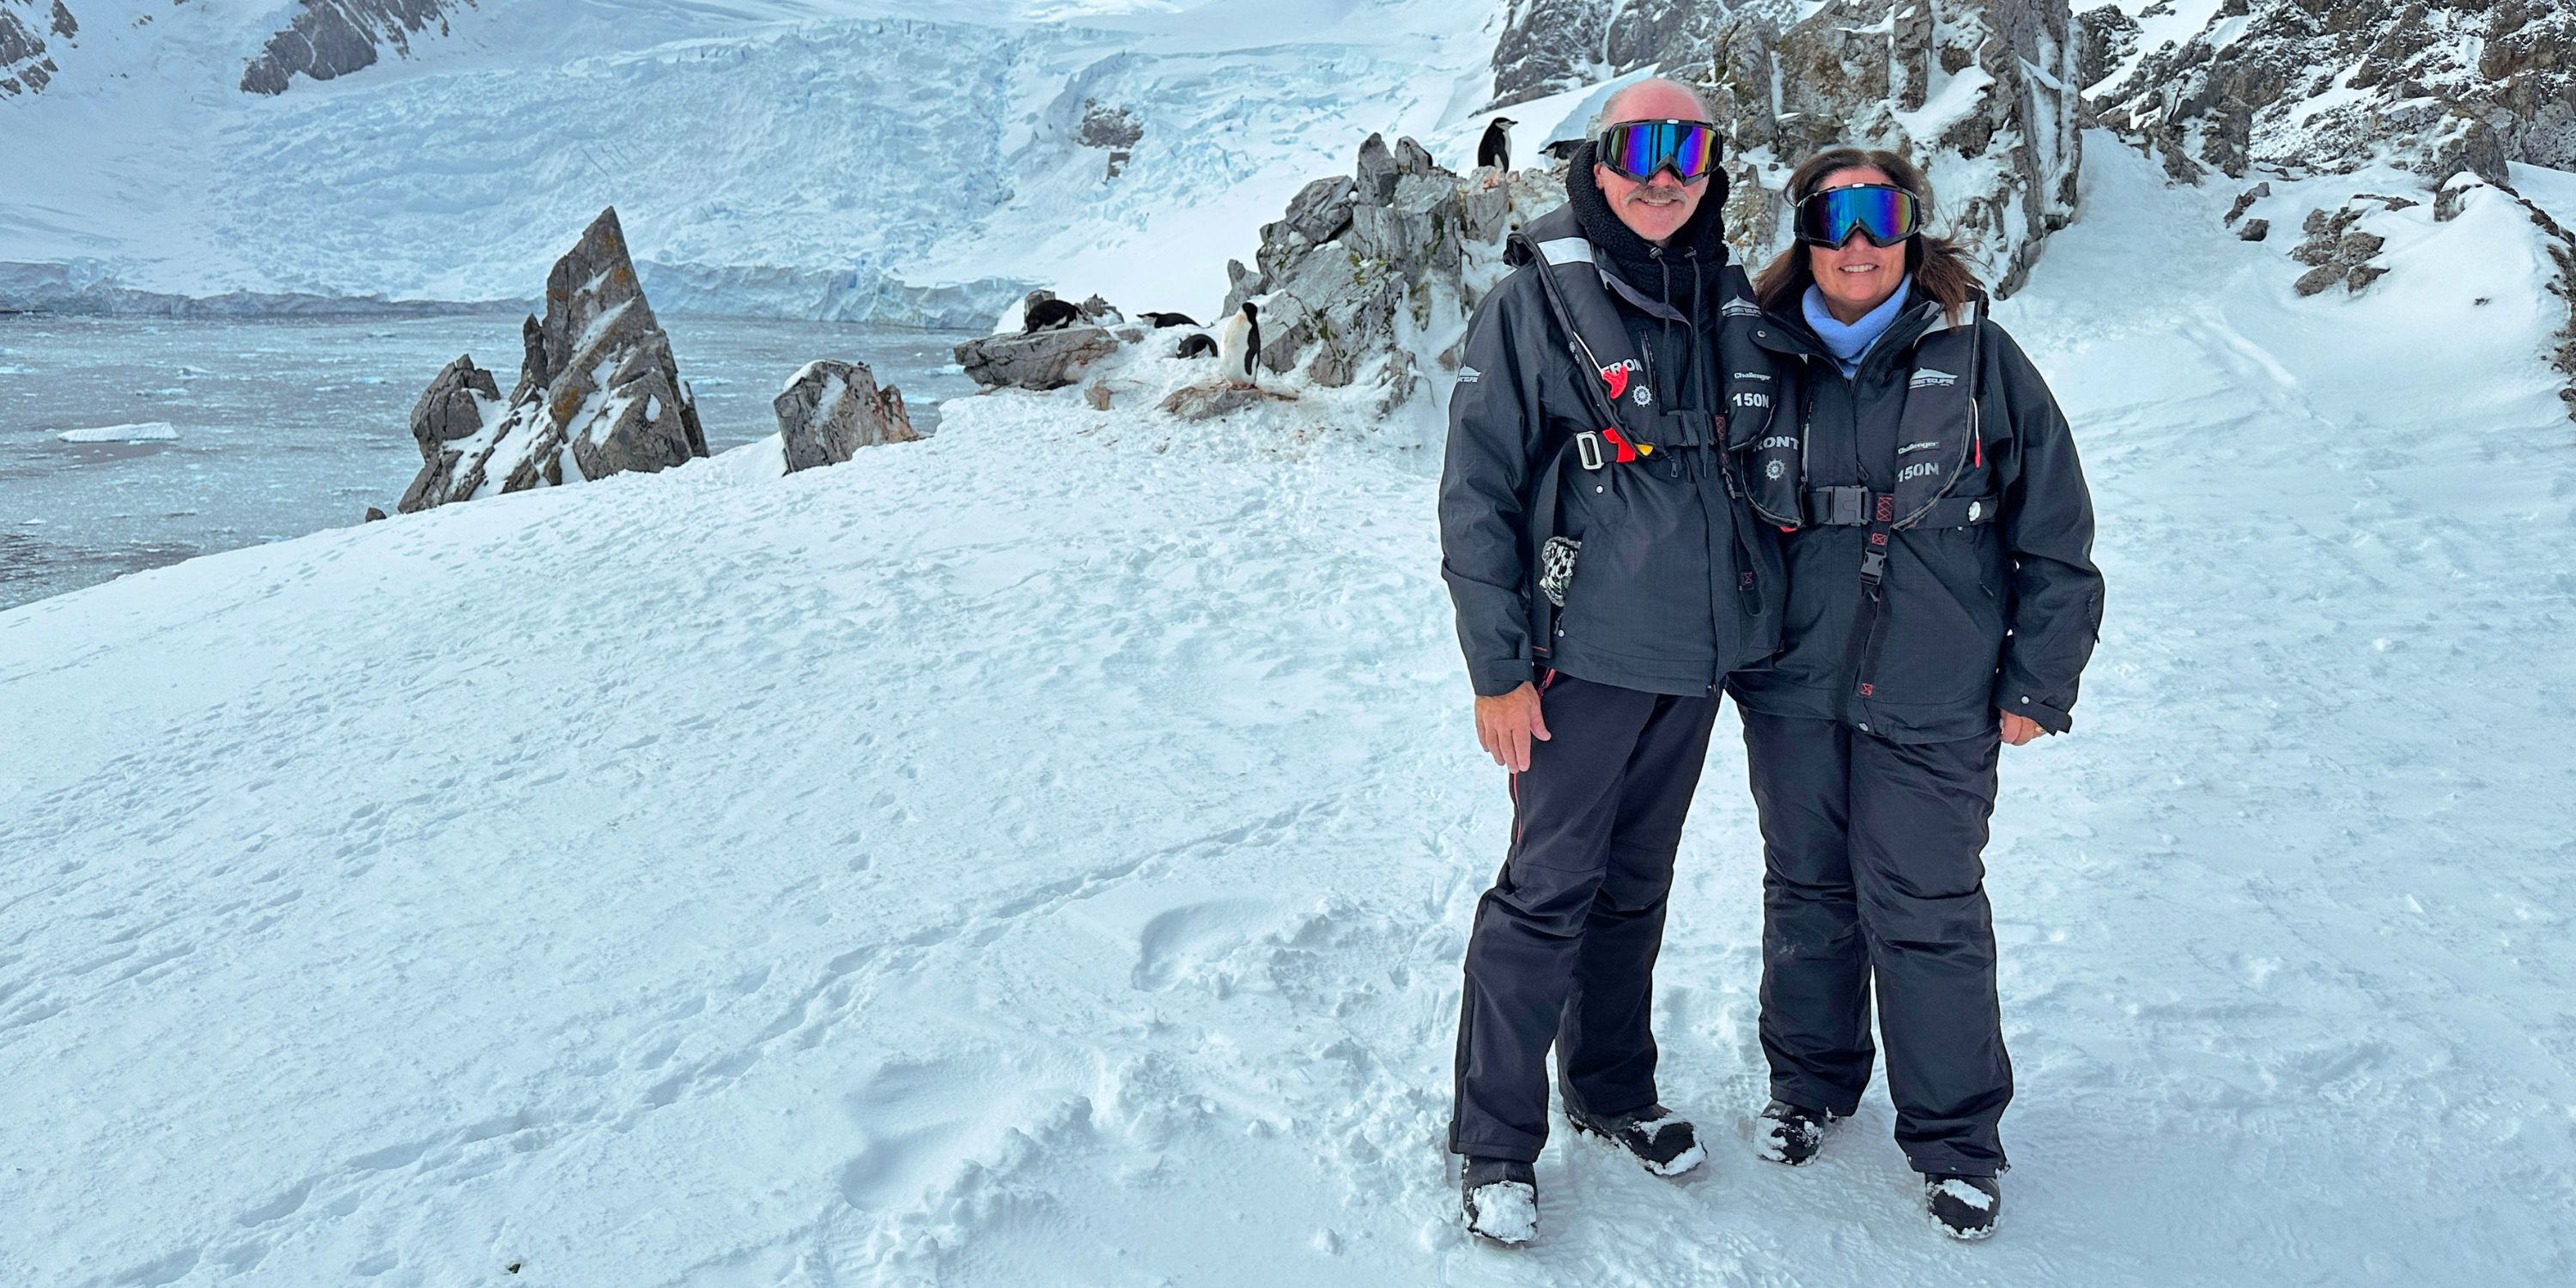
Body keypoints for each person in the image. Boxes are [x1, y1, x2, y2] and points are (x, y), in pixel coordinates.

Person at [1725, 148, 2105, 1240]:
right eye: (1832, 216)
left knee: (1927, 911)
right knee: (1806, 889)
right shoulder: (1756, 354)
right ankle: (1809, 1084)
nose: (1856, 242)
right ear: (1803, 230)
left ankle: (1955, 1139)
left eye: (1880, 215)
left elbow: (2058, 535)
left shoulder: (1981, 361)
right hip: (1792, 685)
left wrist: (2041, 678)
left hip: (1936, 689)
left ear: (1912, 231)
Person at [1435, 78, 1788, 1245]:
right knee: (1545, 898)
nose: (1661, 171)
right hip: (1576, 660)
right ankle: (1494, 1141)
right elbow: (1477, 495)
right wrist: (1497, 672)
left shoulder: (1724, 298)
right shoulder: (1532, 308)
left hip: (1689, 665)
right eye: (1637, 146)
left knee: (1636, 890)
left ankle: (1611, 1086)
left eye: (1686, 148)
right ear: (1597, 161)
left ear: (1710, 167)